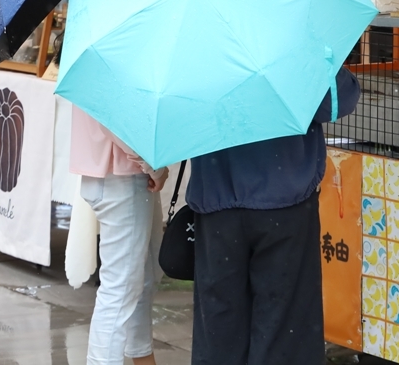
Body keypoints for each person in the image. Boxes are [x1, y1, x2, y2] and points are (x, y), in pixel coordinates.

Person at [188, 68, 360, 365]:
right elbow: (336, 100)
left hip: (217, 202)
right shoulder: (291, 36)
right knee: (284, 331)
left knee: (219, 329)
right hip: (283, 200)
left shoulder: (200, 44)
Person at [70, 107, 169, 365]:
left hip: (117, 171)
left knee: (143, 277)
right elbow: (114, 116)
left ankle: (142, 356)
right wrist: (152, 165)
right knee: (121, 290)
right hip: (123, 173)